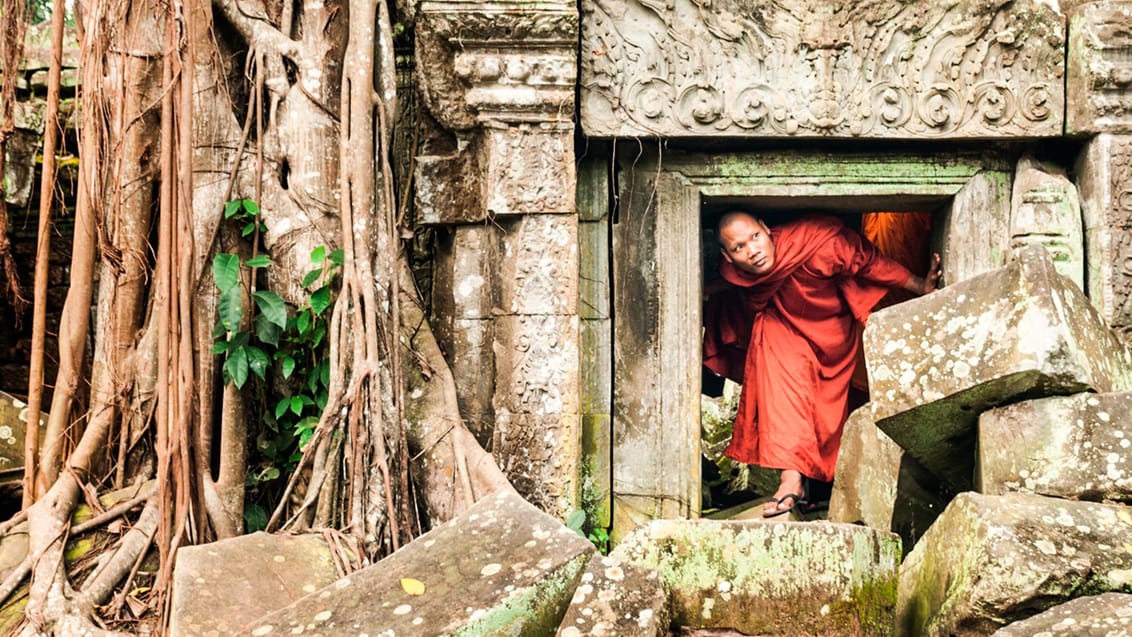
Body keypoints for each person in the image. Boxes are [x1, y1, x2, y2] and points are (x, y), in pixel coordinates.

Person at [703, 211, 941, 517]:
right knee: (782, 393)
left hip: (831, 327)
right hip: (784, 326)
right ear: (728, 256)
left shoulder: (817, 240)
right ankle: (791, 479)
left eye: (755, 237)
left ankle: (827, 485)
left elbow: (870, 262)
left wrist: (919, 285)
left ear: (767, 228)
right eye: (739, 248)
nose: (752, 250)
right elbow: (722, 286)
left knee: (831, 408)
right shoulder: (735, 271)